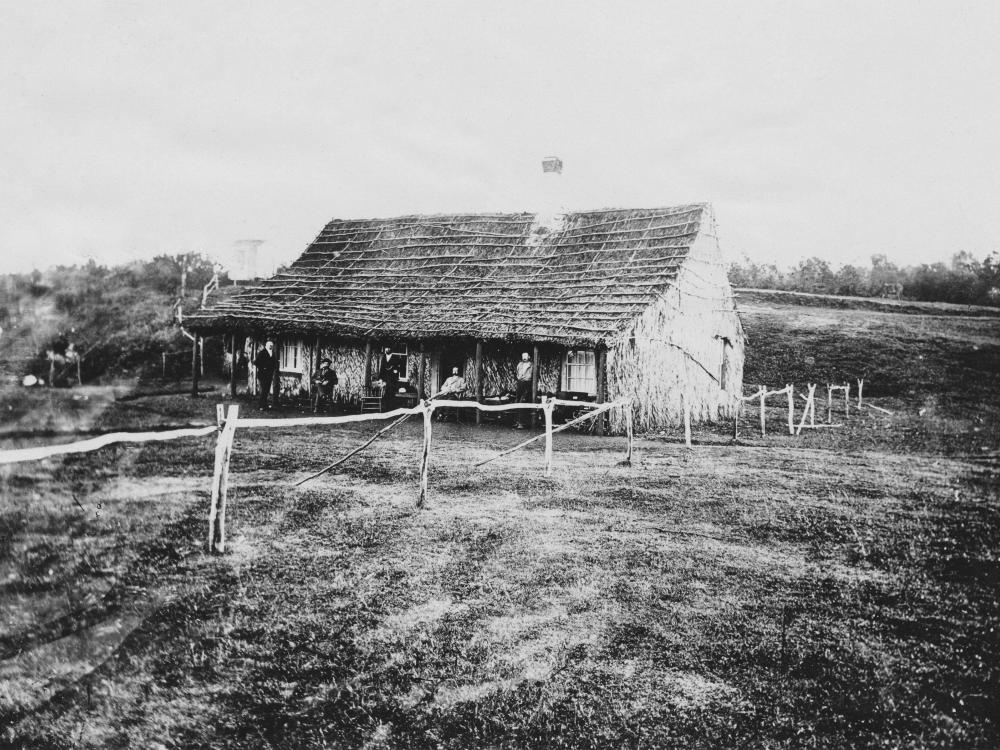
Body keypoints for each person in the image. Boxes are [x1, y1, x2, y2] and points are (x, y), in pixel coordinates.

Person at [254, 340, 276, 409]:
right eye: (269, 346)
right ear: (266, 346)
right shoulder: (262, 353)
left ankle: (265, 405)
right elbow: (256, 362)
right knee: (263, 390)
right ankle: (261, 406)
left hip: (269, 375)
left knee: (266, 390)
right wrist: (263, 368)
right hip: (262, 375)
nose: (271, 347)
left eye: (272, 346)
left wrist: (273, 368)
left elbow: (274, 362)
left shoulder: (272, 353)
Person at [514, 351, 533, 428]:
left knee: (523, 400)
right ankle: (517, 421)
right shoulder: (520, 364)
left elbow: (532, 375)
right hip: (520, 383)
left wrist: (525, 378)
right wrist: (519, 378)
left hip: (527, 383)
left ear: (529, 357)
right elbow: (517, 373)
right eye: (523, 356)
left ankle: (522, 423)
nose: (524, 358)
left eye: (526, 356)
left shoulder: (532, 365)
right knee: (517, 401)